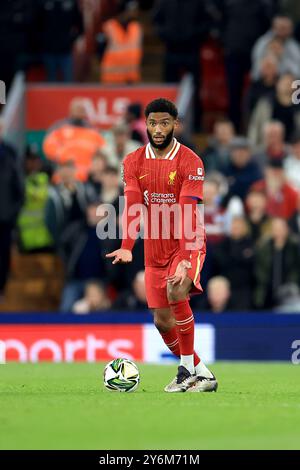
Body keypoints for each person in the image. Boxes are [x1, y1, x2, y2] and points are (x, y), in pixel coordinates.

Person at [106, 98, 217, 393]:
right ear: (146, 124)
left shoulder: (191, 161)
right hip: (154, 245)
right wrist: (127, 245)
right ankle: (203, 373)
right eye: (153, 122)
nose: (158, 128)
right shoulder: (132, 161)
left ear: (175, 124)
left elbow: (187, 212)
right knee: (161, 319)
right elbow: (131, 205)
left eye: (164, 122)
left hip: (188, 239)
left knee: (176, 290)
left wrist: (184, 257)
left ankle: (185, 372)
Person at [43, 98, 106, 181]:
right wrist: (64, 157)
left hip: (88, 178)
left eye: (82, 109)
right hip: (64, 176)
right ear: (71, 110)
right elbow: (48, 146)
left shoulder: (93, 131)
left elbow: (103, 150)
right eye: (78, 108)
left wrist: (96, 165)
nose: (80, 111)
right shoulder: (60, 128)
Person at [254, 217, 300, 309]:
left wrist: (292, 284)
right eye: (276, 229)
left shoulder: (295, 247)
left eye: (281, 228)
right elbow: (259, 270)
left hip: (289, 292)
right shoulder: (263, 248)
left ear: (287, 229)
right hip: (267, 292)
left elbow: (296, 269)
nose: (279, 232)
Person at [0, 122, 24, 297]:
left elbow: (19, 187)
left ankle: (1, 289)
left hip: (4, 219)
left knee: (3, 255)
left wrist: (11, 213)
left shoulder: (10, 153)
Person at [37, 0, 84, 82]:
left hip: (65, 50)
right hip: (48, 49)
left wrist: (70, 39)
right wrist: (42, 40)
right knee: (51, 80)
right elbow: (36, 24)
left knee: (68, 80)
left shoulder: (71, 3)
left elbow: (80, 26)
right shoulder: (43, 3)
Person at [248, 73, 300, 146]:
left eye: (289, 83)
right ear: (277, 84)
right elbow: (255, 125)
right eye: (284, 83)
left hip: (292, 148)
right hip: (266, 147)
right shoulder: (265, 103)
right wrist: (252, 145)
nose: (287, 86)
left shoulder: (298, 107)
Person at [99, 0, 142, 84]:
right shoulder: (109, 26)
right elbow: (99, 48)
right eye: (133, 10)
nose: (135, 12)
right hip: (111, 79)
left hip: (131, 78)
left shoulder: (136, 27)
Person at [251, 15, 300, 80]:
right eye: (282, 28)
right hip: (262, 83)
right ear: (274, 28)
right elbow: (255, 72)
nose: (285, 31)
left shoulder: (293, 45)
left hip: (286, 83)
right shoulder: (263, 43)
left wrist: (282, 57)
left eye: (288, 28)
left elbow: (297, 72)